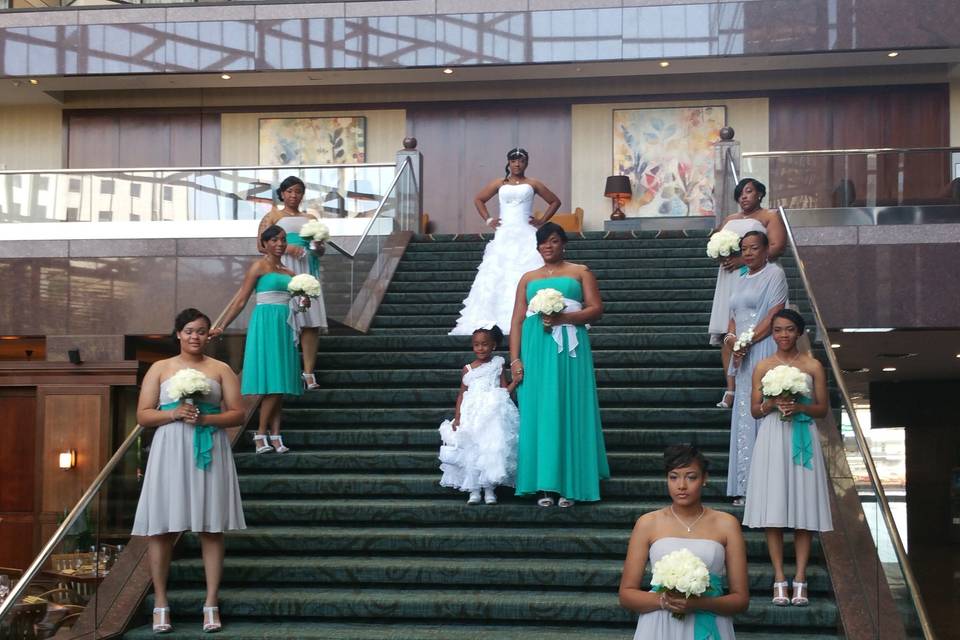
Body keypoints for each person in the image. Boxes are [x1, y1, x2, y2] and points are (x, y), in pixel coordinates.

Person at [131, 308, 246, 634]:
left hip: (209, 447)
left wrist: (206, 419)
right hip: (170, 450)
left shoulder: (221, 368)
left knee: (211, 527)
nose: (196, 336)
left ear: (209, 335)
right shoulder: (160, 368)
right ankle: (161, 604)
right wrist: (174, 414)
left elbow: (237, 414)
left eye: (202, 331)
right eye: (190, 331)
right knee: (162, 528)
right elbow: (143, 415)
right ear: (178, 334)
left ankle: (211, 603)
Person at [509, 222, 609, 507]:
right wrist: (515, 358)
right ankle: (543, 486)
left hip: (570, 349)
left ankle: (571, 484)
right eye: (542, 243)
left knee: (569, 407)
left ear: (563, 243)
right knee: (539, 410)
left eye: (553, 241)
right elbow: (517, 319)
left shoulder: (580, 271)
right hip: (535, 347)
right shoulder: (527, 278)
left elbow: (596, 309)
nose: (547, 247)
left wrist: (564, 318)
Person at [744, 309, 833, 607]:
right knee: (774, 507)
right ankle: (779, 578)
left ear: (799, 332)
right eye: (778, 330)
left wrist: (801, 408)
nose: (783, 335)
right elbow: (754, 410)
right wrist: (771, 403)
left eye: (789, 329)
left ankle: (801, 578)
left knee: (804, 507)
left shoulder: (813, 365)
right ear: (772, 333)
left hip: (803, 435)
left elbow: (822, 408)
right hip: (772, 438)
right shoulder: (762, 366)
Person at [619, 445, 749, 639]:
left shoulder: (726, 524)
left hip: (710, 619)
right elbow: (626, 594)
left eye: (691, 477)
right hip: (660, 625)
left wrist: (700, 604)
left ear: (704, 479)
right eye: (673, 477)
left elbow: (741, 600)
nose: (681, 485)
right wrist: (664, 601)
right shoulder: (648, 523)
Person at [449, 148, 561, 335]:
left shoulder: (533, 183)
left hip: (526, 233)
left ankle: (531, 315)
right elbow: (479, 199)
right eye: (514, 160)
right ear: (508, 162)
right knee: (497, 273)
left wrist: (542, 221)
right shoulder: (498, 183)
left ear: (527, 163)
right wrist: (488, 219)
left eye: (521, 160)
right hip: (504, 233)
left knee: (525, 271)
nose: (517, 164)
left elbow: (555, 201)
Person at [213, 225, 303, 454]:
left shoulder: (289, 273)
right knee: (272, 381)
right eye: (274, 240)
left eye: (283, 239)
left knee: (280, 383)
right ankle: (261, 433)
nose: (280, 244)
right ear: (264, 244)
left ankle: (275, 433)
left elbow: (299, 305)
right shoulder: (258, 267)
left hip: (285, 323)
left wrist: (304, 302)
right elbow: (241, 300)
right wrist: (222, 325)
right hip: (265, 323)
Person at [709, 178, 787, 409]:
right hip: (730, 277)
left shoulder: (769, 216)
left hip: (757, 274)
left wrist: (742, 259)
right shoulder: (729, 220)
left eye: (749, 192)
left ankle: (761, 384)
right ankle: (731, 389)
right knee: (728, 329)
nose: (744, 197)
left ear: (760, 194)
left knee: (758, 326)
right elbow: (715, 243)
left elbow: (776, 247)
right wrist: (720, 253)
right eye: (740, 194)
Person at [724, 230, 788, 504]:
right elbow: (733, 316)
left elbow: (775, 313)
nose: (749, 253)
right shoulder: (739, 278)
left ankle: (766, 488)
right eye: (745, 249)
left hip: (763, 348)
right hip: (741, 352)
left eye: (754, 248)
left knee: (763, 412)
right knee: (743, 414)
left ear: (765, 250)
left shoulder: (775, 274)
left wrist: (747, 342)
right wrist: (732, 341)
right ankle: (744, 485)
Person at [257, 176, 328, 390]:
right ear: (282, 193)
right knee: (286, 316)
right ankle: (286, 369)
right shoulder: (272, 216)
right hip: (283, 266)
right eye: (289, 191)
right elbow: (260, 245)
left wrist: (317, 247)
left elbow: (321, 249)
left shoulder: (310, 217)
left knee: (310, 321)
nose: (293, 195)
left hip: (307, 266)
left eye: (298, 191)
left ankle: (308, 372)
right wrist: (286, 248)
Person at [438, 325, 520, 505]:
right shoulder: (467, 368)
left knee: (488, 449)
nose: (480, 348)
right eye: (476, 345)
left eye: (485, 344)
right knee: (472, 449)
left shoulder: (497, 365)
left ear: (493, 346)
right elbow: (462, 394)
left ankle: (489, 489)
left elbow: (504, 390)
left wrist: (515, 382)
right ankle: (474, 490)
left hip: (492, 413)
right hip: (471, 413)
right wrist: (458, 417)